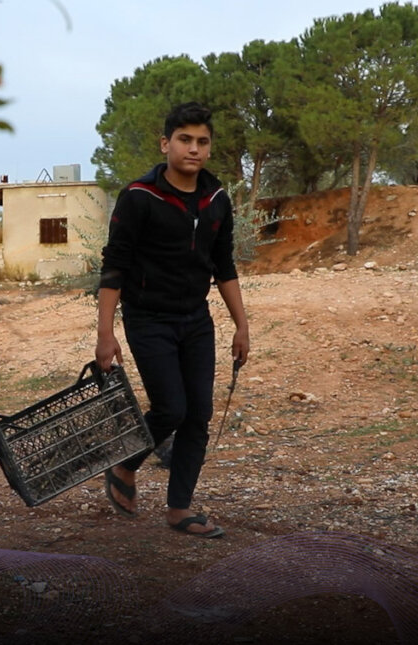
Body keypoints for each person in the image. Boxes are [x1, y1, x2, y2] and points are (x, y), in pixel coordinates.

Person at [95, 102, 250, 538]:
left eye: (202, 141)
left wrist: (242, 325)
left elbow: (224, 266)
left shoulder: (217, 199)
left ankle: (179, 509)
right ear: (166, 144)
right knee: (171, 408)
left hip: (196, 319)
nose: (193, 149)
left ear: (210, 148)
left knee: (198, 414)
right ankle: (125, 465)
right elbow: (114, 267)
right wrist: (106, 334)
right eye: (184, 140)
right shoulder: (139, 196)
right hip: (148, 318)